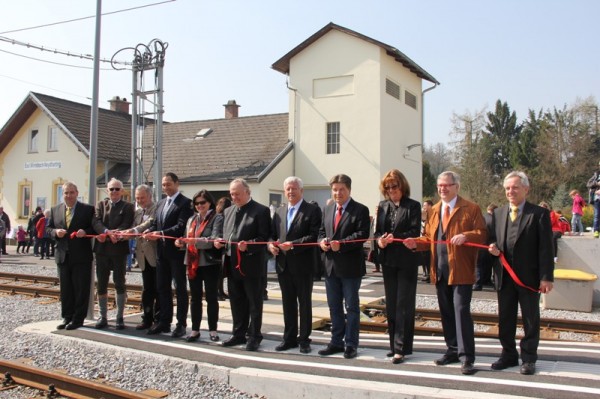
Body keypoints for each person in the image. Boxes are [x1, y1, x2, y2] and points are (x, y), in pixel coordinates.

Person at [404, 171, 487, 375]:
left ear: (456, 186)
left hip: (461, 271)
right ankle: (452, 350)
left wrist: (466, 236)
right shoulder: (433, 210)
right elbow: (428, 238)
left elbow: (483, 234)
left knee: (461, 312)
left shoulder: (471, 208)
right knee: (447, 313)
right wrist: (415, 243)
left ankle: (467, 357)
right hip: (439, 270)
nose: (442, 189)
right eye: (440, 185)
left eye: (446, 185)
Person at [488, 171, 554, 375]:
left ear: (526, 188)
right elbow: (491, 241)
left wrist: (546, 277)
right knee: (505, 319)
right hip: (504, 277)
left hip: (529, 278)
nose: (510, 191)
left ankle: (529, 358)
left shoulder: (539, 214)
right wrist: (492, 248)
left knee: (530, 320)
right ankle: (508, 355)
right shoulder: (497, 214)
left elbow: (546, 249)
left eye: (515, 187)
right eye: (507, 188)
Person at [214, 178, 271, 351]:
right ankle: (238, 333)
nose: (234, 197)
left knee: (254, 302)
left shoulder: (261, 211)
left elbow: (264, 237)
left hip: (251, 265)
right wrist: (218, 241)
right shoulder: (229, 211)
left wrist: (250, 245)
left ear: (247, 192)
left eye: (237, 194)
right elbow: (223, 232)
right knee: (236, 301)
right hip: (231, 264)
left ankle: (254, 335)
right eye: (232, 194)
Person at [318, 174, 370, 360]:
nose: (337, 193)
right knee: (334, 307)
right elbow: (321, 231)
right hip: (330, 266)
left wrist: (342, 243)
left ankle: (351, 344)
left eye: (341, 189)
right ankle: (336, 342)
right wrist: (321, 241)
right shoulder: (327, 208)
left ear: (349, 190)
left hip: (350, 268)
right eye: (334, 189)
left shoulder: (360, 210)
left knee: (352, 307)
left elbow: (362, 234)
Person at [268, 176, 321, 354]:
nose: (291, 192)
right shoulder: (280, 212)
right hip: (283, 265)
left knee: (304, 303)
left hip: (303, 265)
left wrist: (294, 245)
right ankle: (289, 338)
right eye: (288, 189)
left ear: (301, 191)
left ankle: (304, 339)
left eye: (294, 188)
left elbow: (314, 236)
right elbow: (272, 235)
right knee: (287, 303)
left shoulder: (312, 210)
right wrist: (271, 246)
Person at [374, 169, 421, 364]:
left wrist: (396, 238)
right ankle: (395, 345)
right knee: (392, 304)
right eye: (388, 187)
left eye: (395, 186)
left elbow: (414, 230)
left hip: (407, 261)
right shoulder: (383, 206)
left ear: (402, 186)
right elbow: (377, 232)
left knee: (404, 305)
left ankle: (401, 348)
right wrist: (380, 242)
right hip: (388, 260)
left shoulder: (413, 206)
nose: (392, 190)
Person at [145, 172, 193, 337]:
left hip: (176, 254)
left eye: (168, 184)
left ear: (177, 184)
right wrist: (150, 232)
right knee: (162, 288)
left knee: (180, 289)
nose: (166, 187)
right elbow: (155, 223)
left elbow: (181, 227)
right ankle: (164, 322)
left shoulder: (185, 203)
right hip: (161, 253)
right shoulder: (160, 203)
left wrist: (160, 233)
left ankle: (181, 324)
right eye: (163, 185)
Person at [175, 190, 223, 343]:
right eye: (196, 203)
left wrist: (195, 241)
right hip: (192, 263)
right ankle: (195, 329)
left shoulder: (217, 218)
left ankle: (213, 329)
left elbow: (214, 238)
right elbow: (186, 239)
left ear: (210, 202)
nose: (200, 205)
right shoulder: (191, 219)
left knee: (211, 297)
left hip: (209, 263)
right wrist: (180, 243)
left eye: (203, 202)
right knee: (195, 298)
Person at [47, 182, 95, 330]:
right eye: (66, 193)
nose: (69, 196)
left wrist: (85, 232)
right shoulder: (55, 210)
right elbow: (47, 229)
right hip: (62, 255)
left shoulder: (87, 209)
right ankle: (67, 317)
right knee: (66, 288)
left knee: (81, 288)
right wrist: (55, 232)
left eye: (72, 193)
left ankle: (78, 318)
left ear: (77, 193)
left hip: (81, 256)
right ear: (63, 194)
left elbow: (94, 227)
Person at [92, 178, 135, 330]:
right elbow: (96, 222)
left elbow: (127, 223)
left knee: (119, 282)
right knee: (102, 283)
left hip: (119, 250)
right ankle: (102, 316)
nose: (114, 192)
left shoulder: (128, 206)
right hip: (102, 250)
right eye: (111, 189)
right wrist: (106, 232)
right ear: (107, 190)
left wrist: (116, 233)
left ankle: (119, 317)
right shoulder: (100, 205)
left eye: (117, 189)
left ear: (122, 191)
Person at [123, 184, 160, 330]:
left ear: (150, 196)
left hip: (154, 254)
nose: (140, 200)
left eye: (142, 197)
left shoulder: (156, 209)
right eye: (137, 198)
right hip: (142, 256)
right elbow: (131, 226)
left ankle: (158, 318)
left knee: (158, 288)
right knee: (147, 289)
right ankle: (147, 317)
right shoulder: (137, 212)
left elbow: (148, 223)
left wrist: (133, 230)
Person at [473, 203, 497, 290]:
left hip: (481, 244)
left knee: (479, 264)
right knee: (489, 265)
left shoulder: (482, 218)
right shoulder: (495, 220)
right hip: (491, 245)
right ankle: (486, 280)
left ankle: (478, 283)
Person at [215, 196, 232, 301]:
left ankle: (220, 292)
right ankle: (218, 292)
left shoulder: (218, 216)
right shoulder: (223, 217)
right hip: (221, 247)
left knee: (220, 273)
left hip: (219, 246)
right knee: (220, 272)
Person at [419, 200, 433, 282]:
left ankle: (431, 275)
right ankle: (427, 274)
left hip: (430, 241)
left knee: (430, 259)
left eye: (425, 206)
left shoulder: (433, 215)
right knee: (425, 259)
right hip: (423, 240)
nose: (424, 207)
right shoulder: (424, 216)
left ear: (430, 206)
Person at [586, 160, 600, 238]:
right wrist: (597, 184)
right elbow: (588, 184)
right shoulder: (596, 175)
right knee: (597, 215)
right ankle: (596, 231)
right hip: (597, 198)